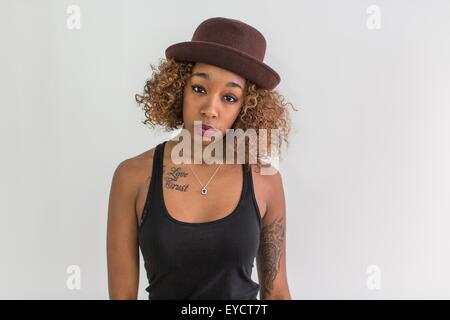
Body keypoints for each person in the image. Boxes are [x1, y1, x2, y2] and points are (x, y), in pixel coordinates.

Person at [107, 17, 296, 300]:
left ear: (247, 107)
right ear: (178, 89)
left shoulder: (264, 179)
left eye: (230, 97)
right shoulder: (133, 176)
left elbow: (277, 293)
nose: (210, 109)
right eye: (199, 89)